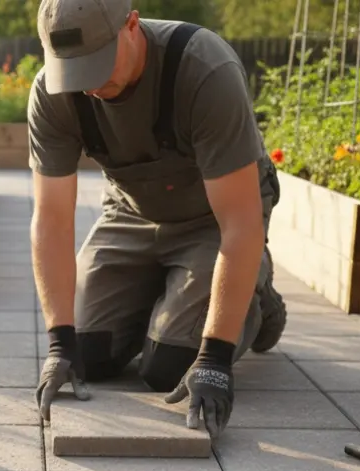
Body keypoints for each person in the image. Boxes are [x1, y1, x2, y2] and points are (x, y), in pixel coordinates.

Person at [28, 0, 288, 440]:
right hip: (131, 214)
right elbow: (51, 220)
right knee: (86, 353)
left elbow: (241, 222)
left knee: (170, 367)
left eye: (97, 65)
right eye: (74, 70)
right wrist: (59, 343)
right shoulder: (53, 93)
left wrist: (215, 359)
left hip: (211, 221)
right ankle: (165, 295)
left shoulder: (204, 70)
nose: (88, 85)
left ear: (132, 25)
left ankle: (258, 299)